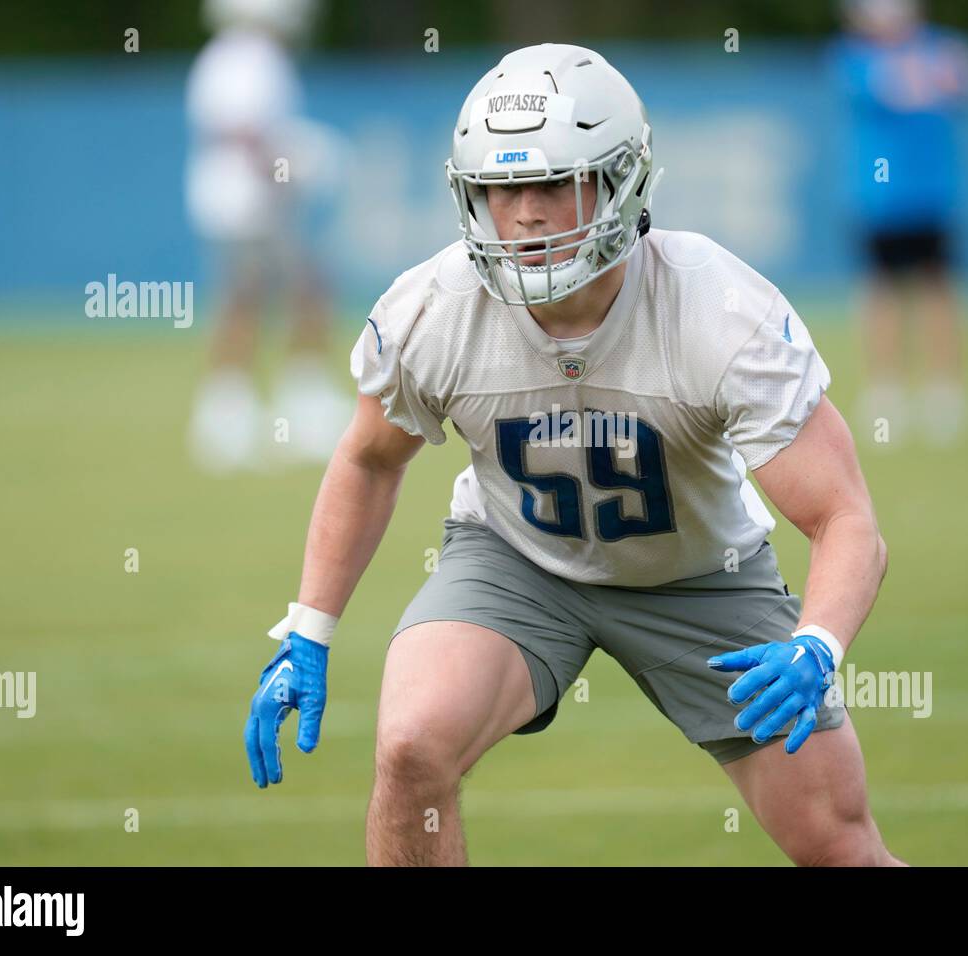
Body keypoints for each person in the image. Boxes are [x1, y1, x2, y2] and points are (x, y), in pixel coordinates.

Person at [245, 43, 903, 867]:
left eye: (553, 182)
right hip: (517, 562)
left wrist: (818, 643)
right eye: (500, 186)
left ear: (621, 179)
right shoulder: (433, 309)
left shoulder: (717, 310)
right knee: (412, 745)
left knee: (839, 847)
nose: (523, 213)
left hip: (699, 577)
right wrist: (309, 629)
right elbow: (371, 459)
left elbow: (847, 520)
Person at [184, 0, 350, 472]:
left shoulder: (223, 55)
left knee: (249, 298)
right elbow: (247, 132)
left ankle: (231, 416)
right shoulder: (253, 57)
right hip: (251, 204)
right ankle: (295, 409)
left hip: (232, 203)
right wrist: (291, 170)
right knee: (304, 291)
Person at [833, 0, 968, 446]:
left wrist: (941, 72)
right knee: (882, 291)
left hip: (934, 195)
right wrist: (933, 75)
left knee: (939, 288)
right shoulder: (854, 57)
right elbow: (901, 89)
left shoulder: (941, 46)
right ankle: (885, 391)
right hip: (880, 198)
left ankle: (945, 392)